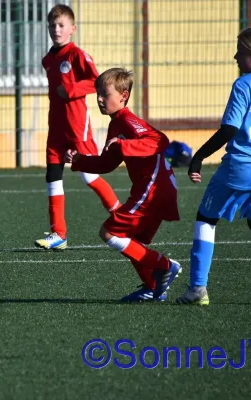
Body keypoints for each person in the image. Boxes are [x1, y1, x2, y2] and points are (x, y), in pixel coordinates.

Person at [176, 25, 251, 306]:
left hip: (241, 168)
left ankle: (197, 289)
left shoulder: (244, 85)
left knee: (206, 218)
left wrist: (198, 156)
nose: (235, 56)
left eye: (240, 52)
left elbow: (228, 130)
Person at [65, 67, 181, 301]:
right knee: (132, 241)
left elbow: (160, 141)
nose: (99, 99)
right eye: (97, 94)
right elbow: (108, 163)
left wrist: (123, 145)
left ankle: (165, 265)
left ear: (123, 96)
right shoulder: (115, 124)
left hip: (153, 188)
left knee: (109, 232)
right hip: (155, 188)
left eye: (104, 94)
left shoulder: (128, 120)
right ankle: (151, 288)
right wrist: (80, 161)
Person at [35, 4, 120, 251]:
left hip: (76, 125)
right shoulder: (49, 59)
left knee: (89, 175)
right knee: (52, 175)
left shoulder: (77, 55)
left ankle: (121, 215)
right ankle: (58, 234)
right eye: (52, 25)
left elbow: (97, 80)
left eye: (61, 25)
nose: (56, 30)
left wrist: (71, 89)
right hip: (56, 126)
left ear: (72, 29)